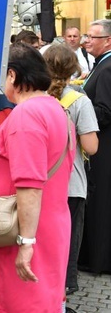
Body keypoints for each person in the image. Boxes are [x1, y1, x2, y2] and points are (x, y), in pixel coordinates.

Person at [0, 43, 75, 312]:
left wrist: (26, 243)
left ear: (12, 75)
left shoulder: (27, 114)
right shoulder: (56, 109)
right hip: (45, 225)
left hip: (16, 235)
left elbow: (29, 185)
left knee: (17, 303)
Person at [43, 44, 98, 295]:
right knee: (68, 238)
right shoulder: (79, 101)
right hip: (70, 182)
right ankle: (66, 284)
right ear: (74, 69)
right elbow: (91, 146)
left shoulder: (35, 97)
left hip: (40, 181)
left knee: (42, 238)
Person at [78, 19, 111, 273]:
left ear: (108, 40)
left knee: (101, 202)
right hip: (99, 146)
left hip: (103, 148)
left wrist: (79, 118)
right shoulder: (101, 64)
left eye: (92, 36)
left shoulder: (108, 67)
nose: (86, 40)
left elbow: (105, 110)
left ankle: (99, 260)